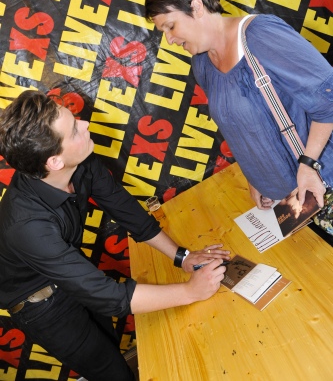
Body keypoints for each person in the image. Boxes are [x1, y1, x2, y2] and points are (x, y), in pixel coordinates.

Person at [0, 89, 230, 381]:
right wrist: (190, 291)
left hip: (67, 272)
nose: (84, 125)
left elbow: (126, 210)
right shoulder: (27, 225)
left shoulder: (80, 162)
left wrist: (181, 257)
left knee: (110, 344)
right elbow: (110, 297)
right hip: (40, 303)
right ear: (54, 162)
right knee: (111, 372)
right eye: (73, 131)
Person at [145, 0, 333, 215]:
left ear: (197, 7)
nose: (169, 39)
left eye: (170, 26)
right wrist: (255, 177)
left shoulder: (260, 35)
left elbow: (328, 99)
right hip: (285, 202)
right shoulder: (202, 62)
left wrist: (309, 164)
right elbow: (239, 127)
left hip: (319, 186)